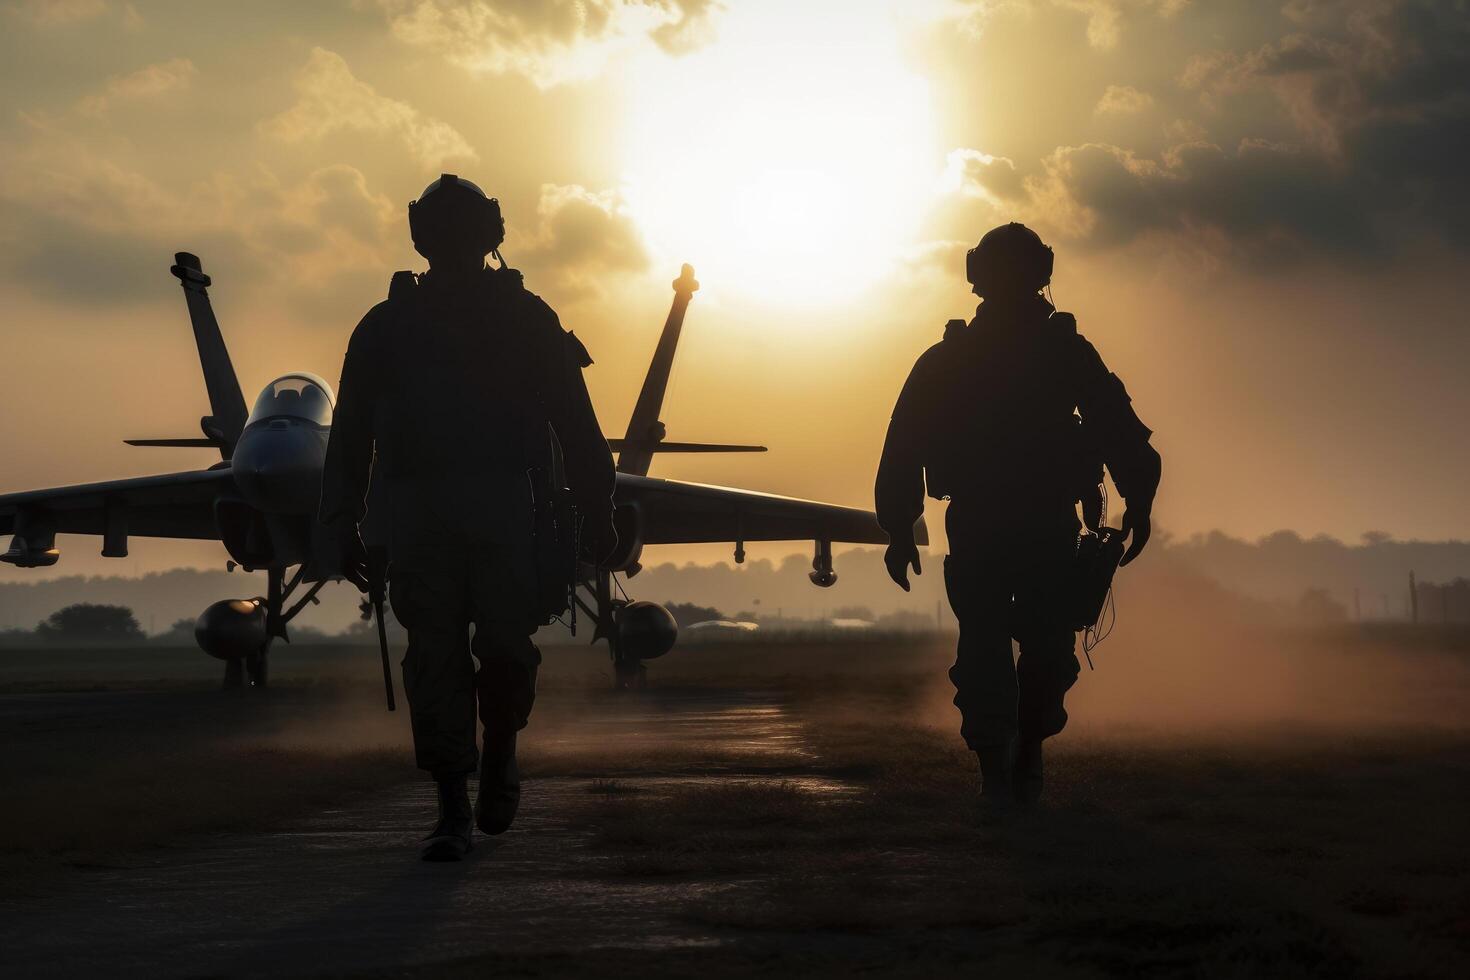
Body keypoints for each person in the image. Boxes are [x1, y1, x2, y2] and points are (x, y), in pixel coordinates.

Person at [318, 174, 617, 860]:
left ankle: (502, 749)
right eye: (441, 231)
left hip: (508, 507)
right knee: (435, 661)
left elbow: (577, 423)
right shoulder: (386, 329)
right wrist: (339, 521)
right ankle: (452, 805)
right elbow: (351, 435)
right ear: (422, 236)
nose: (451, 244)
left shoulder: (527, 319)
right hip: (419, 514)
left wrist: (598, 507)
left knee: (507, 651)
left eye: (462, 230)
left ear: (487, 237)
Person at [875, 222, 1160, 806]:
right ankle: (1010, 768)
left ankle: (1013, 764)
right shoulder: (1056, 354)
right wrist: (1138, 500)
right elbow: (1118, 430)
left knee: (1024, 649)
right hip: (1022, 524)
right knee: (1019, 648)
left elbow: (903, 446)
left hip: (1008, 525)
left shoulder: (962, 359)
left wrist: (900, 528)